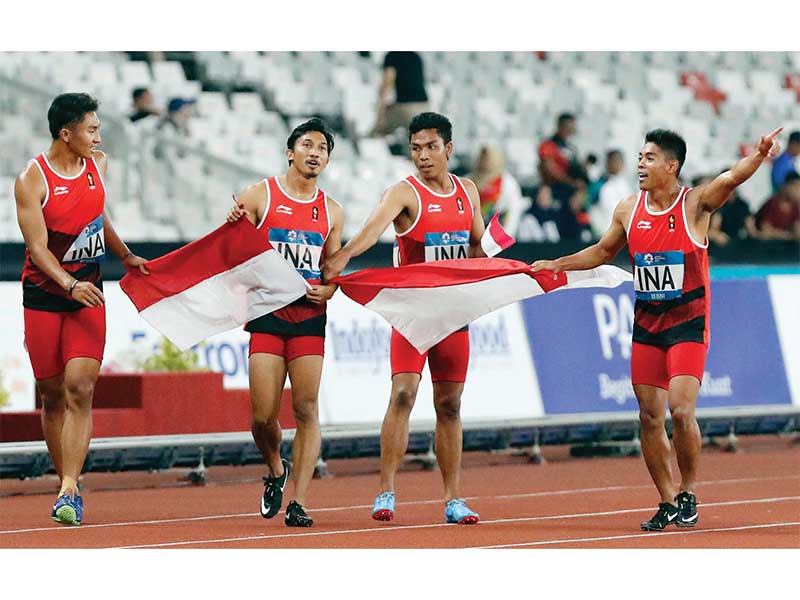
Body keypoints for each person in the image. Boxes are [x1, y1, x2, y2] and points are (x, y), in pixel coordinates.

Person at [531, 126, 783, 531]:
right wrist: (554, 265)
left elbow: (731, 178)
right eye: (639, 157)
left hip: (688, 324)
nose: (640, 165)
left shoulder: (695, 204)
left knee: (681, 410)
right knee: (649, 416)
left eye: (649, 158)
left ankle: (689, 491)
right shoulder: (628, 209)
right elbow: (600, 252)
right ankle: (666, 500)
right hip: (647, 326)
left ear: (672, 165)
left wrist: (760, 155)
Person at [323, 112, 485, 525]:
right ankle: (386, 491)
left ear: (448, 149)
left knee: (450, 405)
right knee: (403, 394)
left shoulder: (467, 192)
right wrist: (343, 256)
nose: (423, 156)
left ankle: (453, 499)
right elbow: (373, 229)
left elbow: (480, 249)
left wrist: (515, 269)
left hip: (453, 316)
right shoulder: (404, 193)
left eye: (431, 147)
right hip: (413, 316)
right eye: (416, 148)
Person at [14, 93, 149, 525]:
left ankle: (70, 486)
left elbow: (97, 214)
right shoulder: (31, 180)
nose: (98, 136)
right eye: (91, 129)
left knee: (80, 388)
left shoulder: (98, 165)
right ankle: (65, 483)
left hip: (88, 293)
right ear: (65, 133)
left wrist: (124, 253)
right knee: (52, 394)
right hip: (45, 294)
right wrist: (68, 284)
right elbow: (36, 248)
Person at [225, 118, 344, 527]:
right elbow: (232, 243)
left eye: (322, 148)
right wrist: (233, 220)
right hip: (267, 314)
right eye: (307, 145)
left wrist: (329, 290)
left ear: (327, 159)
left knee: (307, 408)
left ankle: (300, 501)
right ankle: (277, 468)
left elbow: (333, 272)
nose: (315, 153)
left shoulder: (332, 211)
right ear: (290, 151)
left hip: (309, 317)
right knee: (262, 416)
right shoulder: (262, 194)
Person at [470, 144, 526, 236]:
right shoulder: (468, 181)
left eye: (488, 157)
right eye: (483, 157)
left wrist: (504, 237)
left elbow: (513, 213)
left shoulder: (508, 183)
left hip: (498, 236)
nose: (485, 160)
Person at [370, 51, 429, 137]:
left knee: (381, 127)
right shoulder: (416, 56)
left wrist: (381, 110)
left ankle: (371, 139)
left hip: (406, 107)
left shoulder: (392, 55)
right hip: (424, 107)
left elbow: (388, 83)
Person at [537, 112, 585, 204]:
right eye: (567, 128)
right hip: (552, 187)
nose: (570, 131)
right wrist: (570, 182)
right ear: (559, 126)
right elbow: (549, 170)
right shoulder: (547, 146)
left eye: (572, 128)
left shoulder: (572, 148)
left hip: (569, 188)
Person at [588, 150, 635, 236]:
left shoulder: (627, 186)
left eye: (618, 161)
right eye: (613, 161)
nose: (616, 164)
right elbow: (590, 207)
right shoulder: (599, 185)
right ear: (607, 163)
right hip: (604, 233)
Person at [756, 170, 800, 240]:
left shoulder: (794, 206)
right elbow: (765, 231)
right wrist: (788, 236)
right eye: (795, 187)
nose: (797, 191)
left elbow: (797, 230)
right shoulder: (773, 203)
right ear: (786, 186)